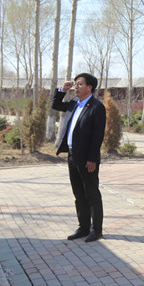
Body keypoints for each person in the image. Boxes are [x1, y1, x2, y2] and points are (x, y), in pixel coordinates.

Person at [52, 73, 107, 243]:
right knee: (79, 194)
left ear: (89, 87)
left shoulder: (96, 107)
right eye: (75, 84)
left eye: (80, 84)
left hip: (87, 158)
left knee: (92, 194)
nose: (76, 87)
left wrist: (92, 159)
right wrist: (62, 90)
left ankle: (96, 230)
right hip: (72, 155)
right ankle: (83, 227)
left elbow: (97, 136)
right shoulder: (74, 103)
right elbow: (55, 104)